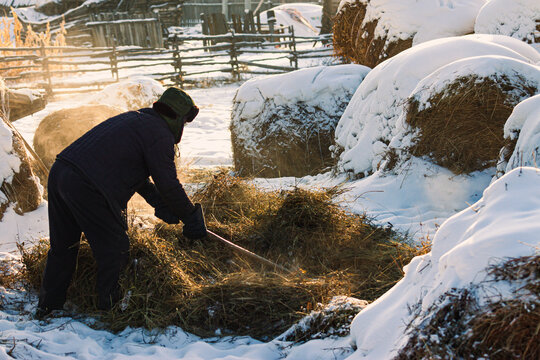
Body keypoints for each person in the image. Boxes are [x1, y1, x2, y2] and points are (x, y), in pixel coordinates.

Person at [36, 87, 207, 317]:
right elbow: (169, 183)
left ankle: (48, 307)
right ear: (176, 117)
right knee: (114, 249)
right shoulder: (159, 134)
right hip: (87, 185)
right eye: (184, 122)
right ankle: (111, 311)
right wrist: (190, 216)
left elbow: (137, 178)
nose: (183, 128)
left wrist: (161, 203)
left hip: (61, 172)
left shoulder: (135, 120)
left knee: (63, 247)